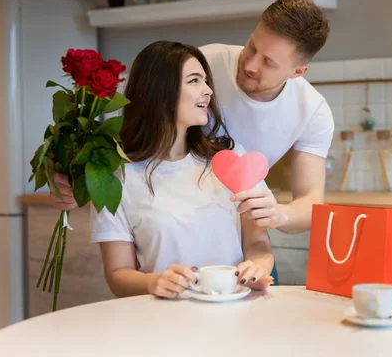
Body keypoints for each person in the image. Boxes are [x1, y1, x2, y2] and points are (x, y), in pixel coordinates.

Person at [53, 0, 334, 235]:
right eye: (252, 46)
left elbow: (311, 201)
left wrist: (279, 214)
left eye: (268, 62)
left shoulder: (312, 111)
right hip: (169, 227)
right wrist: (86, 182)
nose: (249, 63)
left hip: (246, 239)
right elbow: (143, 128)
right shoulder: (202, 64)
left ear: (298, 72)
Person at [90, 41, 274, 299]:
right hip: (160, 322)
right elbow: (117, 273)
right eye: (194, 80)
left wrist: (258, 267)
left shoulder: (231, 159)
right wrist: (154, 282)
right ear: (159, 90)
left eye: (206, 80)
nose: (208, 90)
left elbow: (257, 244)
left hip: (234, 313)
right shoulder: (115, 177)